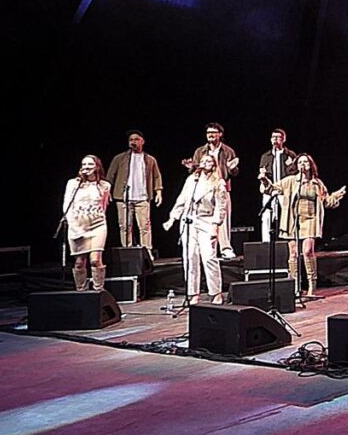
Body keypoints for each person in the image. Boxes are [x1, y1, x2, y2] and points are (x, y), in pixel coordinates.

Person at [258, 153, 345, 297]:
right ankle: (294, 286)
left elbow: (326, 201)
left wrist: (336, 196)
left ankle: (312, 285)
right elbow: (271, 189)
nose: (302, 165)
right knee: (293, 253)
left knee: (308, 251)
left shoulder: (317, 183)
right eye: (300, 162)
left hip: (310, 219)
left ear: (310, 165)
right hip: (293, 220)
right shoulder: (290, 181)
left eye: (305, 162)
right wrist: (264, 180)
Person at [164, 155, 228, 305]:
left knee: (209, 257)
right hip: (189, 221)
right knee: (190, 257)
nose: (205, 163)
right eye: (203, 161)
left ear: (214, 165)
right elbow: (182, 200)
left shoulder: (218, 183)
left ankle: (216, 292)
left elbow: (221, 206)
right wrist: (172, 218)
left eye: (209, 161)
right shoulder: (192, 179)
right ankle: (193, 293)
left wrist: (215, 225)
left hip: (207, 221)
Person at [183, 123, 239, 259]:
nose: (211, 135)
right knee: (203, 219)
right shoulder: (200, 151)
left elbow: (234, 172)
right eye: (208, 133)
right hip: (204, 190)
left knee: (223, 219)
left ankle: (225, 248)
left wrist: (232, 168)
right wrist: (191, 167)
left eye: (214, 132)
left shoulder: (228, 151)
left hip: (221, 188)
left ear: (220, 134)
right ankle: (207, 249)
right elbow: (195, 170)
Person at [105, 130, 163, 258]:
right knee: (125, 227)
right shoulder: (119, 158)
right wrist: (107, 192)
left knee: (145, 227)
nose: (133, 142)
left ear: (142, 141)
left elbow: (157, 176)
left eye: (136, 139)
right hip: (123, 198)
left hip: (142, 198)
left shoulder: (150, 160)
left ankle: (147, 252)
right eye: (131, 140)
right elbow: (110, 176)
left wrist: (158, 192)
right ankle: (128, 252)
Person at [63, 155, 112, 291]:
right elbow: (67, 205)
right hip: (77, 226)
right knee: (80, 262)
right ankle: (81, 290)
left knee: (95, 259)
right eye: (84, 164)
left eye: (90, 164)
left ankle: (98, 291)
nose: (86, 167)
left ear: (97, 167)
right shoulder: (73, 184)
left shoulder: (105, 185)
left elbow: (104, 206)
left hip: (98, 225)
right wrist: (72, 224)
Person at [258, 128, 297, 243]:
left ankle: (290, 239)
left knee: (288, 214)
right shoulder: (266, 156)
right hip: (270, 189)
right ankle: (266, 242)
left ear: (283, 139)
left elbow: (294, 173)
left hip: (285, 190)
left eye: (278, 137)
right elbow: (263, 172)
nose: (275, 139)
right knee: (266, 215)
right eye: (273, 137)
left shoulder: (290, 155)